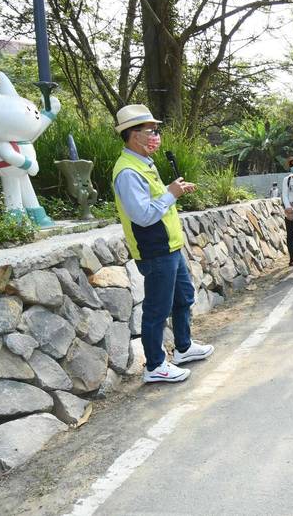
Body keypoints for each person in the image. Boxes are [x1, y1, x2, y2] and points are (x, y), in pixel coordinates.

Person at [111, 104, 214, 384]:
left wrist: (173, 191)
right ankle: (155, 365)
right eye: (151, 131)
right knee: (157, 309)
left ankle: (183, 347)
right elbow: (143, 215)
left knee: (183, 296)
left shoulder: (144, 164)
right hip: (154, 250)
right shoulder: (128, 172)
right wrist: (170, 194)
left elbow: (156, 201)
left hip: (169, 246)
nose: (156, 136)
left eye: (156, 130)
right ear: (133, 135)